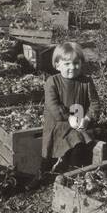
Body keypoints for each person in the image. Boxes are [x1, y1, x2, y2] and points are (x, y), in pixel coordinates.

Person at [43, 42, 101, 172]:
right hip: (59, 124)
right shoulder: (52, 81)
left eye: (76, 63)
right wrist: (68, 118)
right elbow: (53, 105)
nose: (72, 67)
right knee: (52, 152)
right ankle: (44, 171)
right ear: (58, 65)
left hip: (81, 123)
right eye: (67, 64)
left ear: (81, 63)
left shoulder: (86, 82)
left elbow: (95, 103)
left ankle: (73, 171)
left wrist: (87, 118)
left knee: (79, 143)